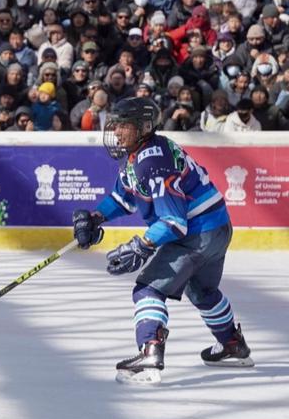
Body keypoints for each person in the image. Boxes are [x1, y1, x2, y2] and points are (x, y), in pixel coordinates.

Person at [71, 98, 251, 386]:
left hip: (197, 233)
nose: (115, 131)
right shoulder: (140, 152)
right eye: (114, 124)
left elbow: (173, 222)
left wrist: (143, 245)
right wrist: (96, 217)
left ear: (142, 127)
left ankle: (150, 352)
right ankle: (233, 345)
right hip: (217, 227)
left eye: (122, 126)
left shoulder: (152, 163)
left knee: (148, 289)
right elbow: (123, 197)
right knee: (203, 291)